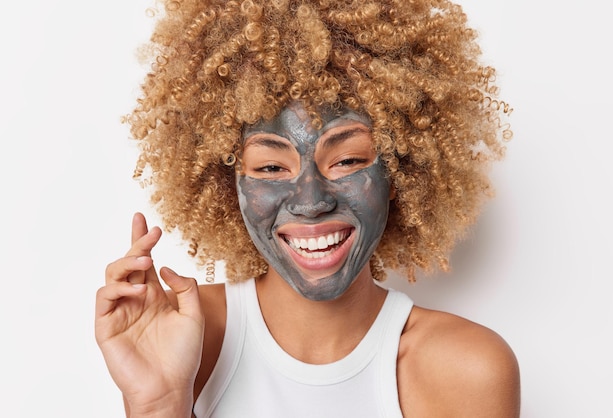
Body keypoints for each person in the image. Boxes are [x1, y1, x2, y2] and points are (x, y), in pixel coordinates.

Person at [95, 0, 520, 417]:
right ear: (230, 184)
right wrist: (158, 406)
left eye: (348, 160)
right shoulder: (181, 335)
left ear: (399, 171)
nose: (310, 201)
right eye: (271, 166)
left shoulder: (466, 370)